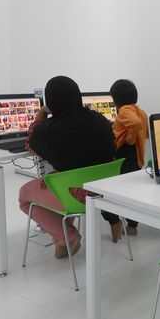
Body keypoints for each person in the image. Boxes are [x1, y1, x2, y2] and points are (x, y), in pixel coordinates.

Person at [19, 76, 116, 258]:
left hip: (74, 195)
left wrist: (42, 113)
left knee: (24, 196)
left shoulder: (48, 131)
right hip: (104, 192)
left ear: (51, 101)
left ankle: (67, 236)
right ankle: (64, 234)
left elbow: (30, 143)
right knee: (62, 177)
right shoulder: (101, 121)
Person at [101, 79, 148, 240]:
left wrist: (129, 138)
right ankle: (132, 227)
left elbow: (135, 124)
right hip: (136, 158)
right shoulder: (139, 110)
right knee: (132, 193)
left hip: (124, 156)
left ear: (115, 99)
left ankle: (114, 222)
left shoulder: (124, 111)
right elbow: (143, 130)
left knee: (110, 191)